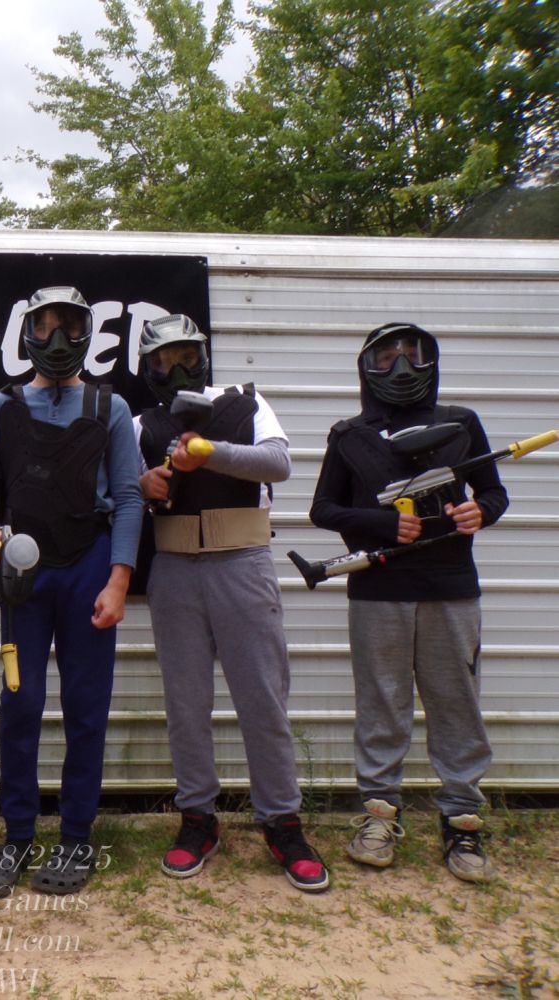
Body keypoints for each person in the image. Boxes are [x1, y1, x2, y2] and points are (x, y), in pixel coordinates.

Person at [0, 286, 143, 897]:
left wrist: (119, 580)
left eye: (69, 327)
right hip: (24, 577)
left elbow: (130, 497)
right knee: (21, 705)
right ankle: (17, 836)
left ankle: (77, 836)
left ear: (87, 333)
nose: (56, 340)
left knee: (86, 708)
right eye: (44, 327)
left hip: (89, 568)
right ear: (27, 333)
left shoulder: (110, 407)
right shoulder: (2, 405)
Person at [132, 315, 329, 893]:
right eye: (163, 361)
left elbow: (278, 464)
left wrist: (207, 452)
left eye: (186, 356)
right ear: (148, 368)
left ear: (204, 355)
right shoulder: (141, 424)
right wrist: (143, 487)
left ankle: (283, 822)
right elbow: (117, 492)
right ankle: (197, 817)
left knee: (263, 697)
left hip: (243, 561)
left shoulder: (244, 401)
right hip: (173, 569)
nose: (177, 369)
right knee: (185, 703)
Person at [309, 322, 507, 882]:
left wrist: (480, 512)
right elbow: (323, 509)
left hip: (451, 587)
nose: (400, 368)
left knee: (456, 703)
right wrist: (382, 525)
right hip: (378, 590)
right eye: (386, 357)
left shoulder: (461, 423)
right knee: (382, 703)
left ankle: (462, 820)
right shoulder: (349, 435)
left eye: (412, 355)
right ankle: (379, 815)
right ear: (366, 368)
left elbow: (493, 492)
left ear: (431, 361)